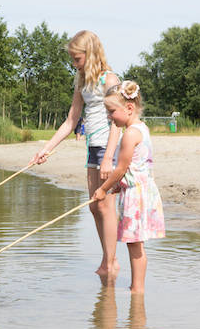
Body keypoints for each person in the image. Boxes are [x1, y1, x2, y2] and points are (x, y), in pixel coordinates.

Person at [31, 30, 122, 277]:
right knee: (94, 207)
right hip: (92, 147)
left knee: (106, 206)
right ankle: (107, 260)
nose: (74, 64)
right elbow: (71, 120)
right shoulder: (82, 81)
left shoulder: (109, 80)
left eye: (77, 59)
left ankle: (110, 263)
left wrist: (107, 157)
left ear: (90, 54)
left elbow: (117, 122)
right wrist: (46, 149)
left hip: (108, 148)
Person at [93, 80, 165, 293]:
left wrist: (103, 189)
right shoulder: (141, 128)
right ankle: (137, 289)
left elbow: (121, 169)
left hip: (137, 196)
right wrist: (118, 187)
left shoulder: (130, 135)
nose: (109, 116)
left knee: (134, 245)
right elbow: (135, 167)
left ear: (129, 108)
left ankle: (137, 289)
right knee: (136, 245)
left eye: (111, 111)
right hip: (139, 191)